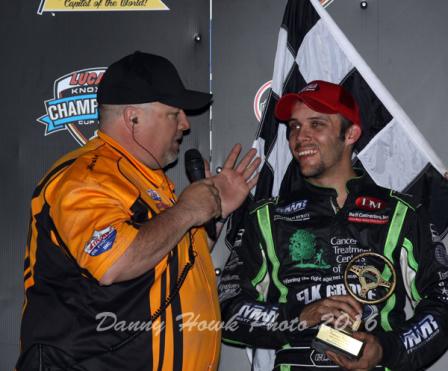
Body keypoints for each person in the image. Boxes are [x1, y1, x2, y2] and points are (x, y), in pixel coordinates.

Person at [17, 51, 260, 371]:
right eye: (175, 113)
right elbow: (115, 261)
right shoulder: (85, 176)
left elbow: (162, 262)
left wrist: (214, 214)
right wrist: (187, 211)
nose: (186, 124)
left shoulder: (144, 180)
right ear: (132, 118)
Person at [219, 80, 448, 370]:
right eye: (294, 127)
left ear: (350, 133)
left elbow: (442, 302)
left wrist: (384, 349)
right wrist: (300, 316)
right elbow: (227, 310)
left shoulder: (401, 212)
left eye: (316, 124)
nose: (300, 137)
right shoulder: (267, 216)